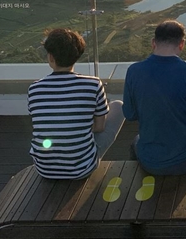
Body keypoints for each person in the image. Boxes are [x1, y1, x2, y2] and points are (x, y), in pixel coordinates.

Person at [123, 19, 186, 175]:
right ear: (182, 44)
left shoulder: (134, 71)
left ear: (153, 42)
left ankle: (136, 187)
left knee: (136, 142)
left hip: (149, 160)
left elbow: (130, 114)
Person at [27, 28, 125, 179]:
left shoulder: (35, 88)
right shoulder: (93, 84)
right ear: (77, 55)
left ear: (51, 57)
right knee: (118, 106)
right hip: (82, 169)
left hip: (44, 169)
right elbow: (99, 127)